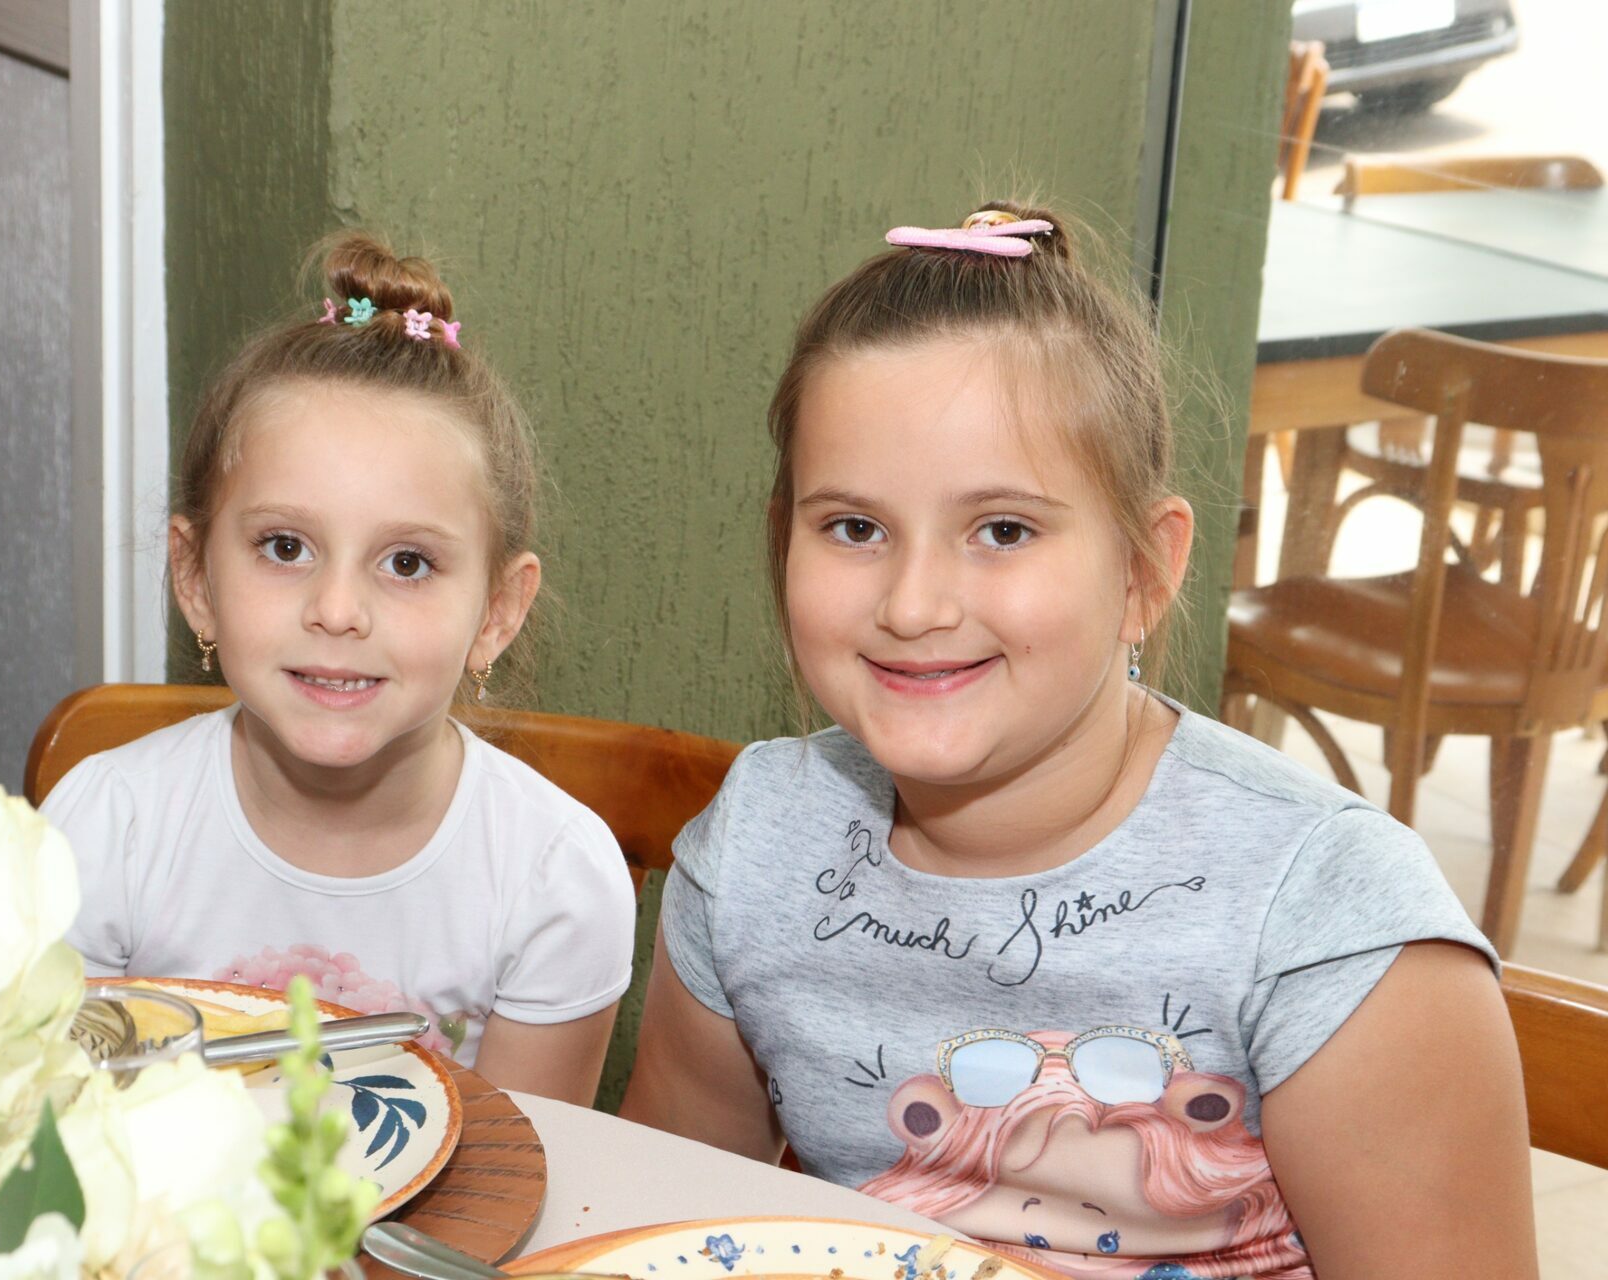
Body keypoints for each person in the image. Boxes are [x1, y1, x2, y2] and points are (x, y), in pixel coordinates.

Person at [621, 205, 1536, 1278]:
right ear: (785, 541)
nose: (913, 604)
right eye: (855, 528)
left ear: (1144, 570)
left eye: (1002, 529)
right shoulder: (758, 845)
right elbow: (663, 1228)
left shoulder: (1326, 915)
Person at [45, 232, 634, 1106]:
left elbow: (518, 1170)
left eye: (407, 563)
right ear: (195, 579)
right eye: (285, 547)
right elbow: (64, 1138)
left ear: (497, 614)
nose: (337, 609)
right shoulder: (105, 832)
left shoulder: (554, 879)